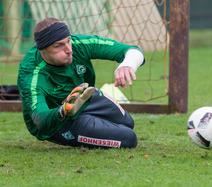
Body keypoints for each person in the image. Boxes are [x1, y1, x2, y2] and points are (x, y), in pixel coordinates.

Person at [17, 17, 145, 149]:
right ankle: (84, 125)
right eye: (58, 46)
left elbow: (133, 50)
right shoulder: (31, 74)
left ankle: (91, 122)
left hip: (85, 97)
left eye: (68, 41)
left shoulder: (79, 45)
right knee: (129, 139)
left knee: (128, 122)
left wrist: (127, 65)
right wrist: (64, 110)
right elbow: (40, 119)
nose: (68, 49)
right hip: (58, 123)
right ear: (42, 50)